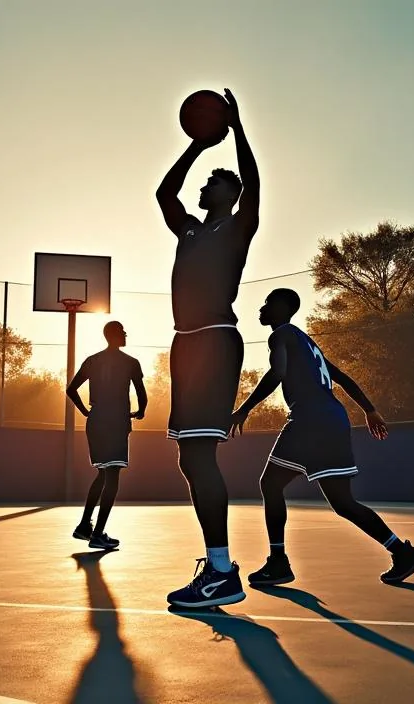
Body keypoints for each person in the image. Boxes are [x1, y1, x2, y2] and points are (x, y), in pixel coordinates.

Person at [230, 288, 414, 585]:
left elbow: (277, 372)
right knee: (342, 501)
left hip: (309, 418)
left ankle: (278, 562)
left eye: (268, 303)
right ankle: (402, 552)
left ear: (283, 308)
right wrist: (370, 410)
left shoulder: (281, 334)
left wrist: (243, 409)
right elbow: (345, 379)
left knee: (270, 483)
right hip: (335, 419)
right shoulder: (310, 346)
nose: (261, 308)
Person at [154, 88, 260, 608]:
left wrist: (236, 130)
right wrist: (198, 145)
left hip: (216, 342)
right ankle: (219, 567)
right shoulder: (190, 232)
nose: (204, 183)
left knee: (199, 456)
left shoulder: (238, 227)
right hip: (186, 345)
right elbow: (163, 194)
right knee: (190, 460)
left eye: (214, 179)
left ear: (231, 193)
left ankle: (221, 571)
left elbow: (255, 182)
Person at [66, 321, 147, 550]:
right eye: (122, 331)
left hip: (96, 421)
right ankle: (98, 533)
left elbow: (71, 389)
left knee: (102, 474)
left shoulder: (93, 360)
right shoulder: (130, 362)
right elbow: (141, 392)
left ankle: (84, 525)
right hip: (116, 422)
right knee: (112, 478)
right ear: (113, 335)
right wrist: (140, 411)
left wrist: (86, 412)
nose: (125, 333)